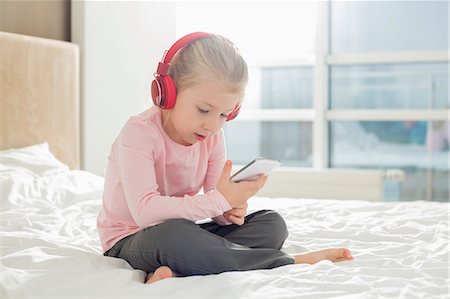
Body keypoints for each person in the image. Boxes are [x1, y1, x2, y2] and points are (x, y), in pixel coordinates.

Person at [97, 32, 353, 284]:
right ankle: (286, 261)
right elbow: (146, 213)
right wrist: (220, 200)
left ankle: (180, 269)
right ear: (168, 92)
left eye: (224, 115)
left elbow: (214, 201)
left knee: (271, 224)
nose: (212, 125)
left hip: (183, 233)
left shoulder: (212, 137)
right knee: (175, 234)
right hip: (130, 240)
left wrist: (229, 209)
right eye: (204, 110)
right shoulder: (139, 133)